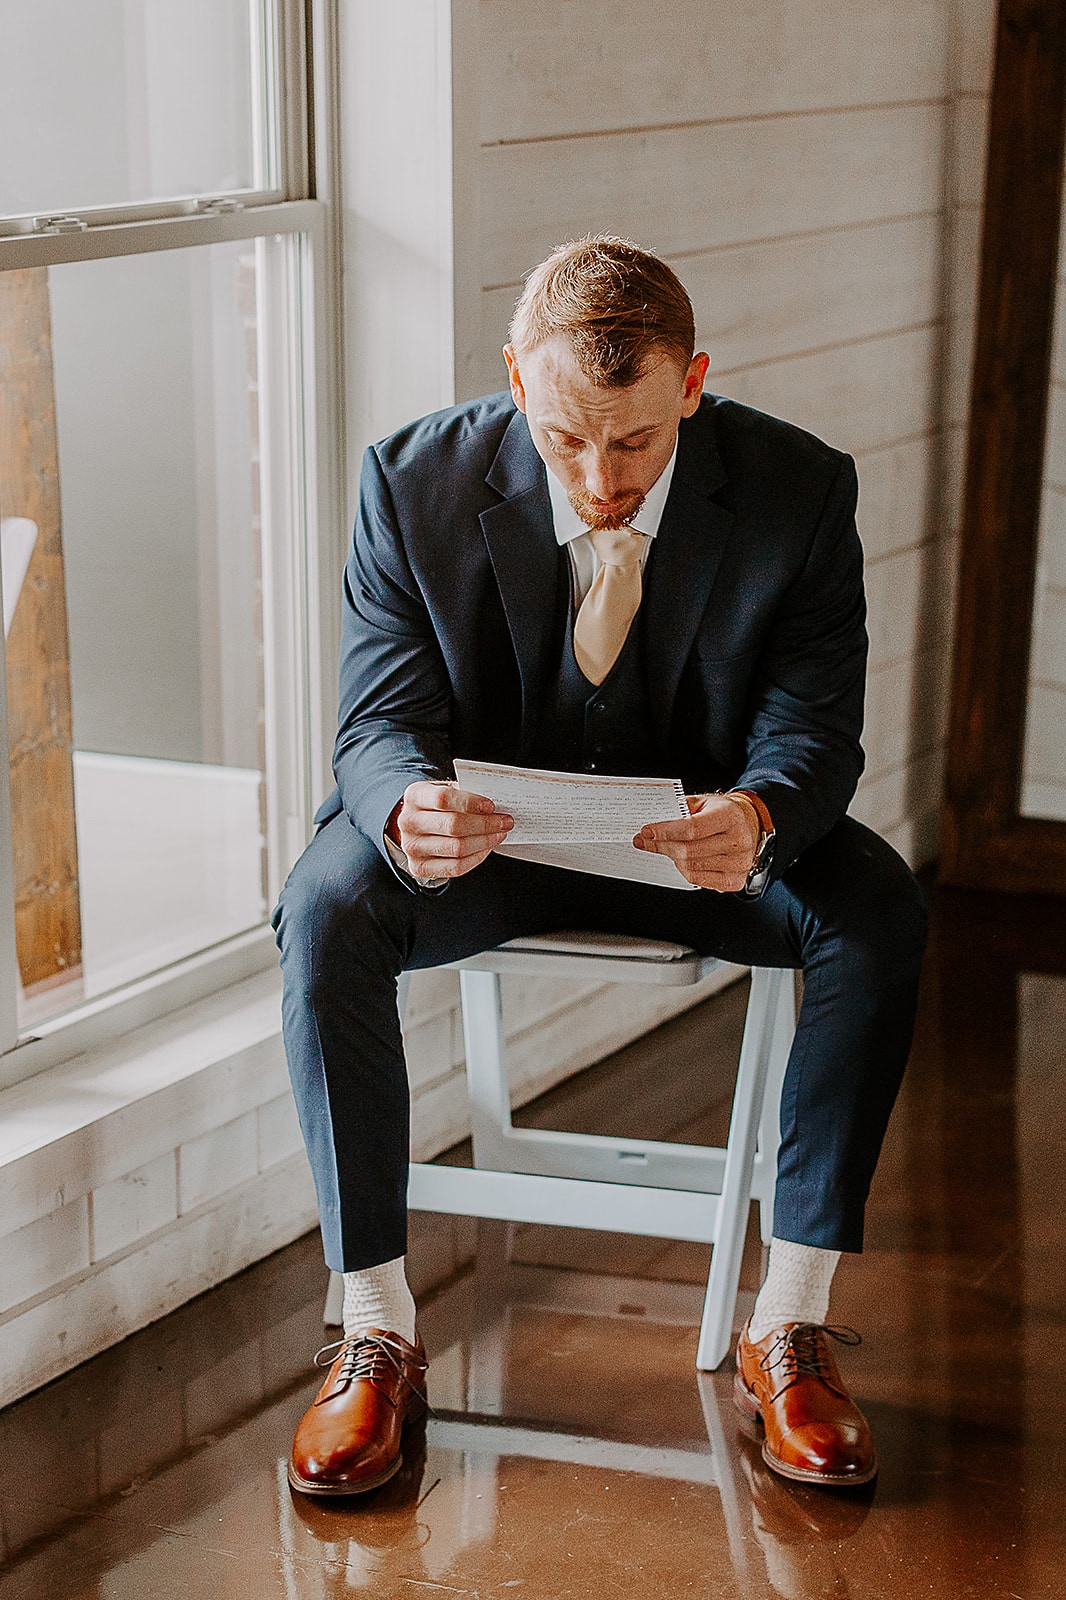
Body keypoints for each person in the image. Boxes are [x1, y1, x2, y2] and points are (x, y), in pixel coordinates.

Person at [273, 235, 927, 1497]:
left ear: (693, 384)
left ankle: (785, 1320)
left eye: (633, 442)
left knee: (878, 906)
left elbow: (815, 727)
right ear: (516, 379)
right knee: (323, 905)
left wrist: (762, 811)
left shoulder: (800, 489)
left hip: (699, 845)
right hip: (490, 849)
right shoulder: (407, 484)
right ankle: (373, 1328)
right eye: (567, 437)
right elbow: (375, 721)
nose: (599, 476)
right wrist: (408, 805)